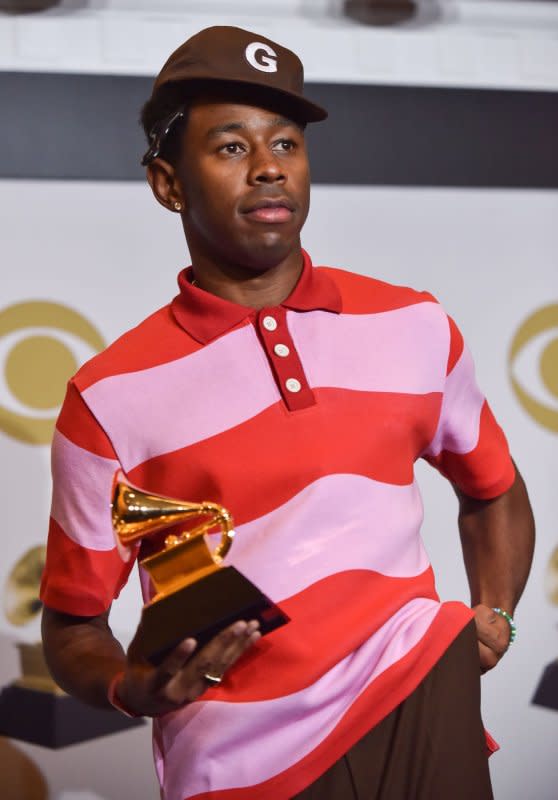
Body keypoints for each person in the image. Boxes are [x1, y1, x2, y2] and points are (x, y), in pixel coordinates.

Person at [40, 25, 535, 800]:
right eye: (232, 148)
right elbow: (73, 625)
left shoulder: (413, 324)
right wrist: (129, 688)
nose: (270, 167)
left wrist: (494, 613)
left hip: (417, 694)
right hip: (243, 763)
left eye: (287, 144)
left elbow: (494, 488)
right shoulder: (109, 395)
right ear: (168, 184)